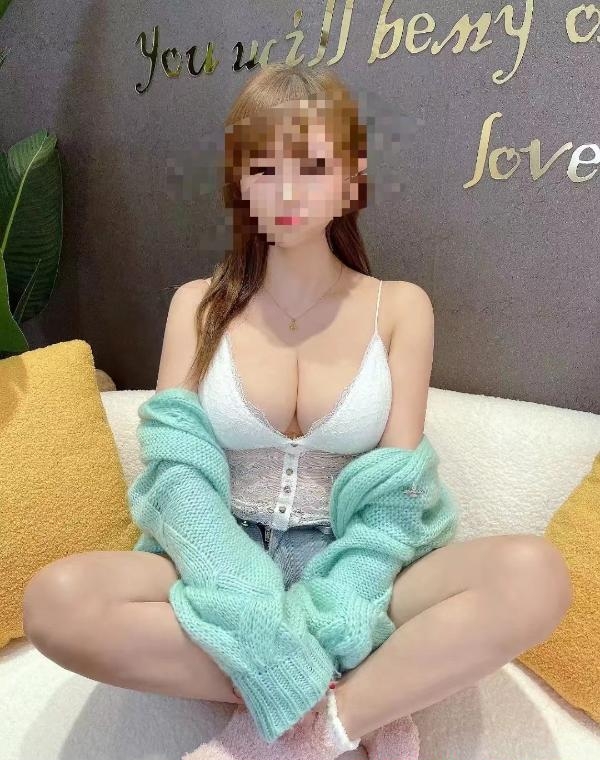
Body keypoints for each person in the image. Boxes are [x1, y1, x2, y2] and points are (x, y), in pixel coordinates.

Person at [22, 62, 573, 760]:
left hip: (354, 563)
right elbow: (176, 478)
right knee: (57, 601)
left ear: (351, 180)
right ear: (239, 182)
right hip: (221, 559)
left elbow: (396, 497)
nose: (285, 192)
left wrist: (338, 613)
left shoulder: (401, 308)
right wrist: (257, 620)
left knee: (534, 574)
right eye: (263, 169)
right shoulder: (197, 306)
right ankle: (343, 687)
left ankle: (317, 729)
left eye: (311, 168)